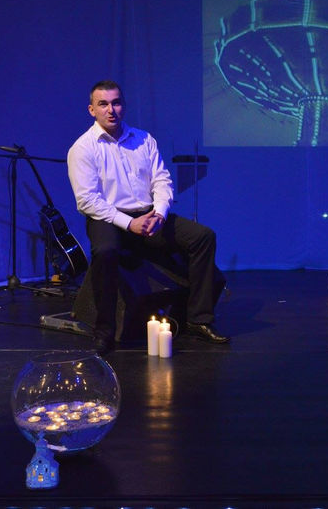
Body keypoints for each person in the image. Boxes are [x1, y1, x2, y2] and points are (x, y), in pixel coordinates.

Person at [67, 80, 229, 354]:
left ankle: (198, 319)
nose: (111, 110)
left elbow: (162, 180)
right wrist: (130, 223)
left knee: (203, 237)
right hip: (108, 219)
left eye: (116, 103)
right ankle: (104, 331)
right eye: (103, 104)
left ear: (124, 106)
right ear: (92, 109)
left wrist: (160, 213)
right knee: (105, 251)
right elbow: (88, 201)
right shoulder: (83, 148)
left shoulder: (144, 139)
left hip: (149, 215)